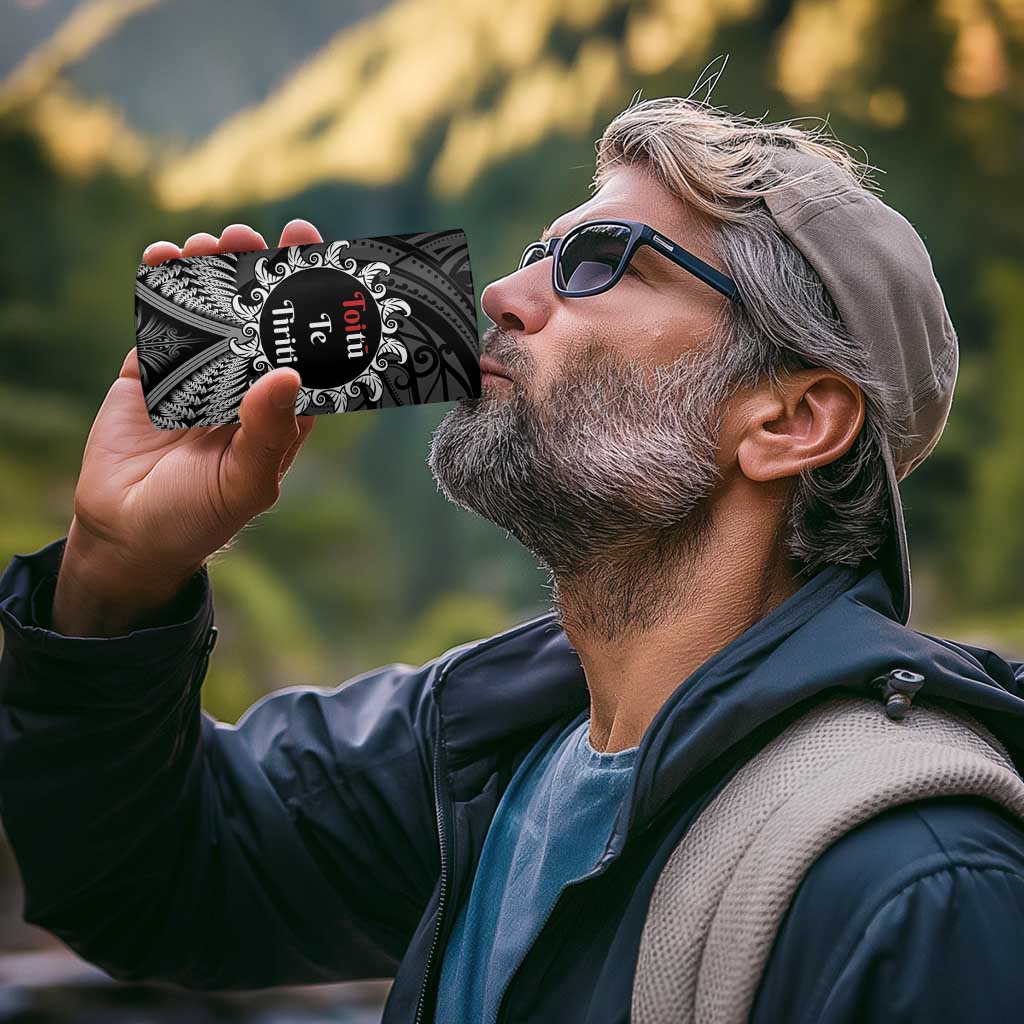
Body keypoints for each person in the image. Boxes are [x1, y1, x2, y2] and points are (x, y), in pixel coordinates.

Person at [2, 94, 1024, 1024]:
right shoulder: (480, 748)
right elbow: (149, 880)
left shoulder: (918, 884)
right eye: (540, 251)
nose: (501, 291)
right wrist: (116, 571)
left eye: (599, 261)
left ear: (790, 419)